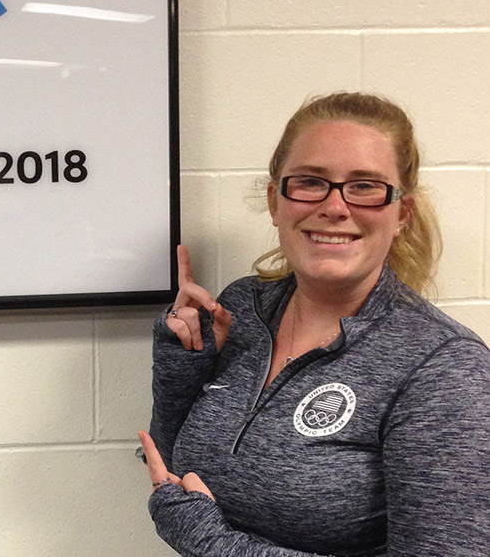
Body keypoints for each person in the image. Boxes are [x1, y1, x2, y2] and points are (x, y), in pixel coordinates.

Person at [137, 92, 490, 556]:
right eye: (310, 182)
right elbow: (174, 466)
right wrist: (183, 364)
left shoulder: (447, 371)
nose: (335, 207)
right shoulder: (243, 306)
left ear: (402, 212)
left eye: (364, 186)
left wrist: (211, 544)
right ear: (275, 201)